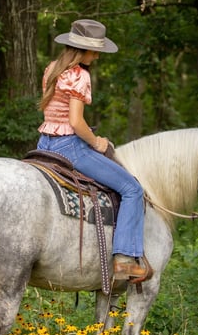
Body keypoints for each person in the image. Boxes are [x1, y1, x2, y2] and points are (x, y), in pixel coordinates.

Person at [37, 19, 150, 282]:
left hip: (44, 144)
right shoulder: (79, 75)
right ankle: (123, 260)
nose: (97, 55)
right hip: (69, 148)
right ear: (81, 49)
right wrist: (97, 142)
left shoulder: (52, 68)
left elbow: (54, 113)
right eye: (94, 50)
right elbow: (75, 122)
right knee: (133, 189)